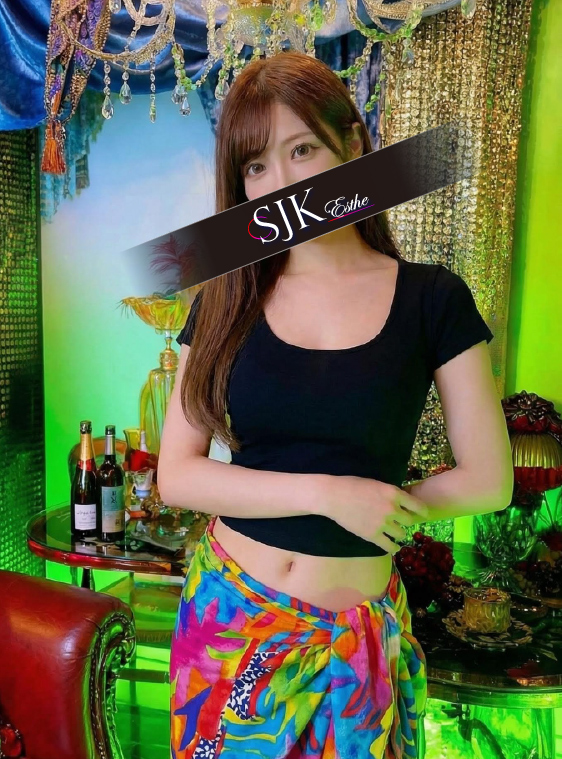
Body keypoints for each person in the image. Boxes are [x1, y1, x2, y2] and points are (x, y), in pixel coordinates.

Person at [159, 50, 514, 759]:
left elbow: (489, 479)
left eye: (302, 150)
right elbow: (178, 474)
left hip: (355, 648)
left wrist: (388, 508)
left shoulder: (433, 298)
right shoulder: (225, 297)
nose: (282, 184)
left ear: (353, 147)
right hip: (230, 630)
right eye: (257, 166)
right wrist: (331, 496)